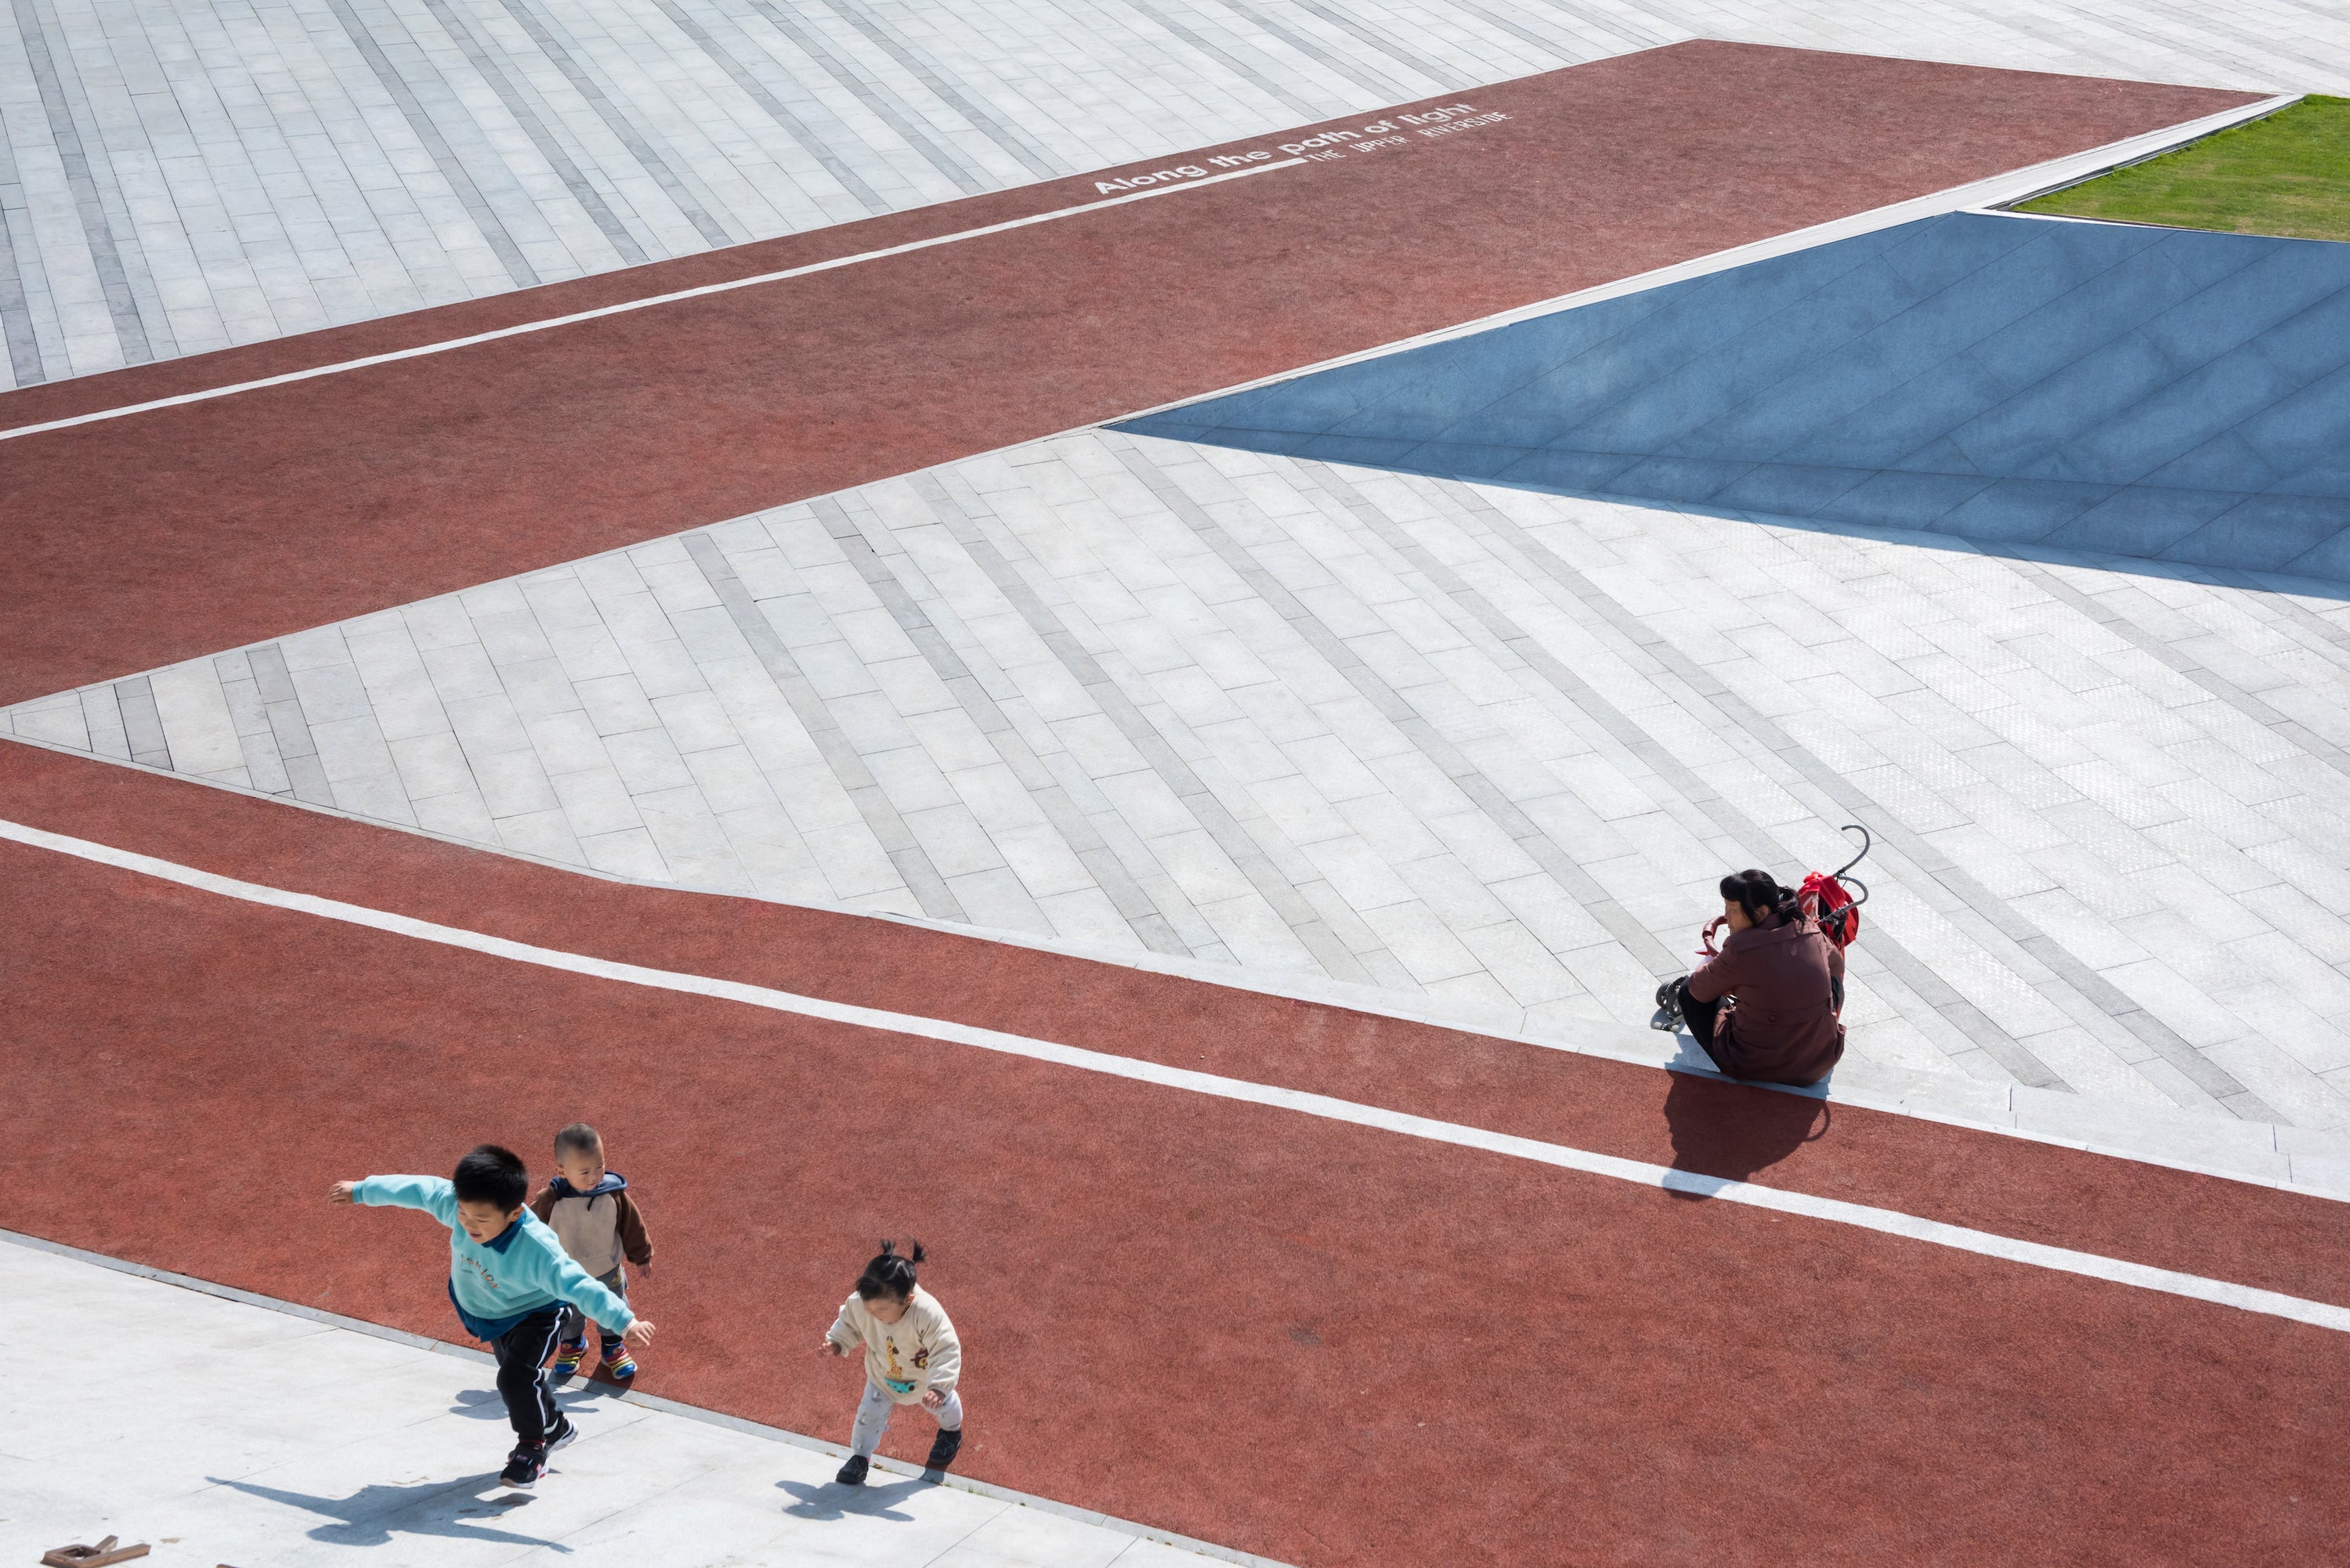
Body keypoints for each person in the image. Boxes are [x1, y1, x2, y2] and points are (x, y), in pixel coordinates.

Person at [329, 1144, 656, 1487]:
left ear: (514, 1214)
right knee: (524, 1380)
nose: (469, 1225)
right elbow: (418, 1189)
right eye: (464, 1215)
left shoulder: (537, 1248)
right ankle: (555, 1426)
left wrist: (624, 1321)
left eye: (482, 1220)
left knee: (515, 1378)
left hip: (538, 1313)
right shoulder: (458, 1204)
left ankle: (532, 1449)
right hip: (491, 1312)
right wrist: (363, 1190)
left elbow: (580, 1285)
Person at [1670, 868, 1846, 1086]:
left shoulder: (1741, 948)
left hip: (1759, 1066)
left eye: (1732, 909)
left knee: (1688, 992)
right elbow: (1837, 964)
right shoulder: (1807, 928)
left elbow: (1698, 990)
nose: (1727, 917)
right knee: (1832, 979)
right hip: (1821, 1059)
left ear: (1761, 912)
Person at [818, 1240, 963, 1486]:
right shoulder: (864, 1302)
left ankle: (951, 1432)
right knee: (868, 1415)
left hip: (924, 1381)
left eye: (882, 1311)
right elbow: (850, 1321)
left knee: (943, 1405)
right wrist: (838, 1342)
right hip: (882, 1376)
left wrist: (939, 1386)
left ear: (907, 1300)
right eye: (870, 1308)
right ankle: (860, 1457)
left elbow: (945, 1347)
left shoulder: (927, 1313)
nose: (874, 1315)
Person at [529, 1122, 654, 1385]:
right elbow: (529, 1229)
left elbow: (631, 1224)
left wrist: (641, 1256)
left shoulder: (614, 1194)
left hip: (606, 1270)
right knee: (570, 1312)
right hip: (567, 1274)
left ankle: (612, 1347)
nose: (594, 1176)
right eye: (584, 1171)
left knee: (612, 1307)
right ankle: (573, 1343)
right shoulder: (551, 1199)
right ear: (562, 1171)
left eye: (600, 1166)